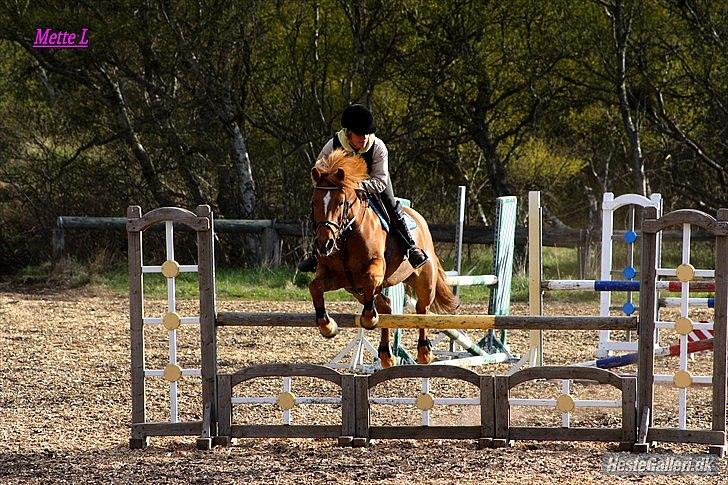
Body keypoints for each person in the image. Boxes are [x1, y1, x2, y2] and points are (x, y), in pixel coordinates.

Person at [298, 104, 429, 272]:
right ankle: (316, 254)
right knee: (320, 210)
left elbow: (380, 181)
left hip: (374, 182)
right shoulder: (333, 145)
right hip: (342, 188)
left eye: (367, 133)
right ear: (348, 133)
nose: (364, 138)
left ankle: (410, 247)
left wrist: (356, 186)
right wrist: (330, 185)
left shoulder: (378, 147)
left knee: (390, 204)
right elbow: (318, 171)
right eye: (359, 134)